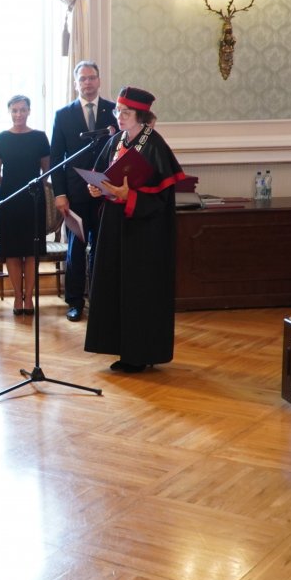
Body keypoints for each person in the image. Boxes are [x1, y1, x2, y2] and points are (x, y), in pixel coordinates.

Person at [83, 86, 188, 373]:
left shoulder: (154, 144)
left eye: (126, 113)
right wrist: (96, 188)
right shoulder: (115, 141)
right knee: (115, 285)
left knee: (139, 289)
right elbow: (102, 176)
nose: (119, 117)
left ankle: (141, 353)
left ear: (141, 115)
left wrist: (130, 196)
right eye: (118, 111)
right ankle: (120, 347)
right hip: (115, 226)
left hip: (144, 232)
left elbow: (162, 198)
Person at [50, 61, 116, 321]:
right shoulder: (63, 115)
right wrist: (60, 194)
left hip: (106, 193)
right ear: (76, 83)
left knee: (102, 248)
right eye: (83, 79)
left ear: (99, 80)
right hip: (74, 194)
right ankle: (75, 302)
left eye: (92, 78)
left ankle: (101, 300)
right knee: (76, 250)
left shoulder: (114, 111)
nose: (88, 83)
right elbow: (56, 159)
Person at [0, 95, 51, 315]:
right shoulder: (1, 138)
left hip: (33, 201)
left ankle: (29, 297)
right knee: (12, 251)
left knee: (31, 251)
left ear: (29, 111)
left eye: (23, 109)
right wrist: (10, 188)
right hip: (9, 200)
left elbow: (46, 171)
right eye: (14, 110)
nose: (19, 114)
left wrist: (33, 190)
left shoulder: (39, 137)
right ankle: (18, 297)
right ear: (9, 112)